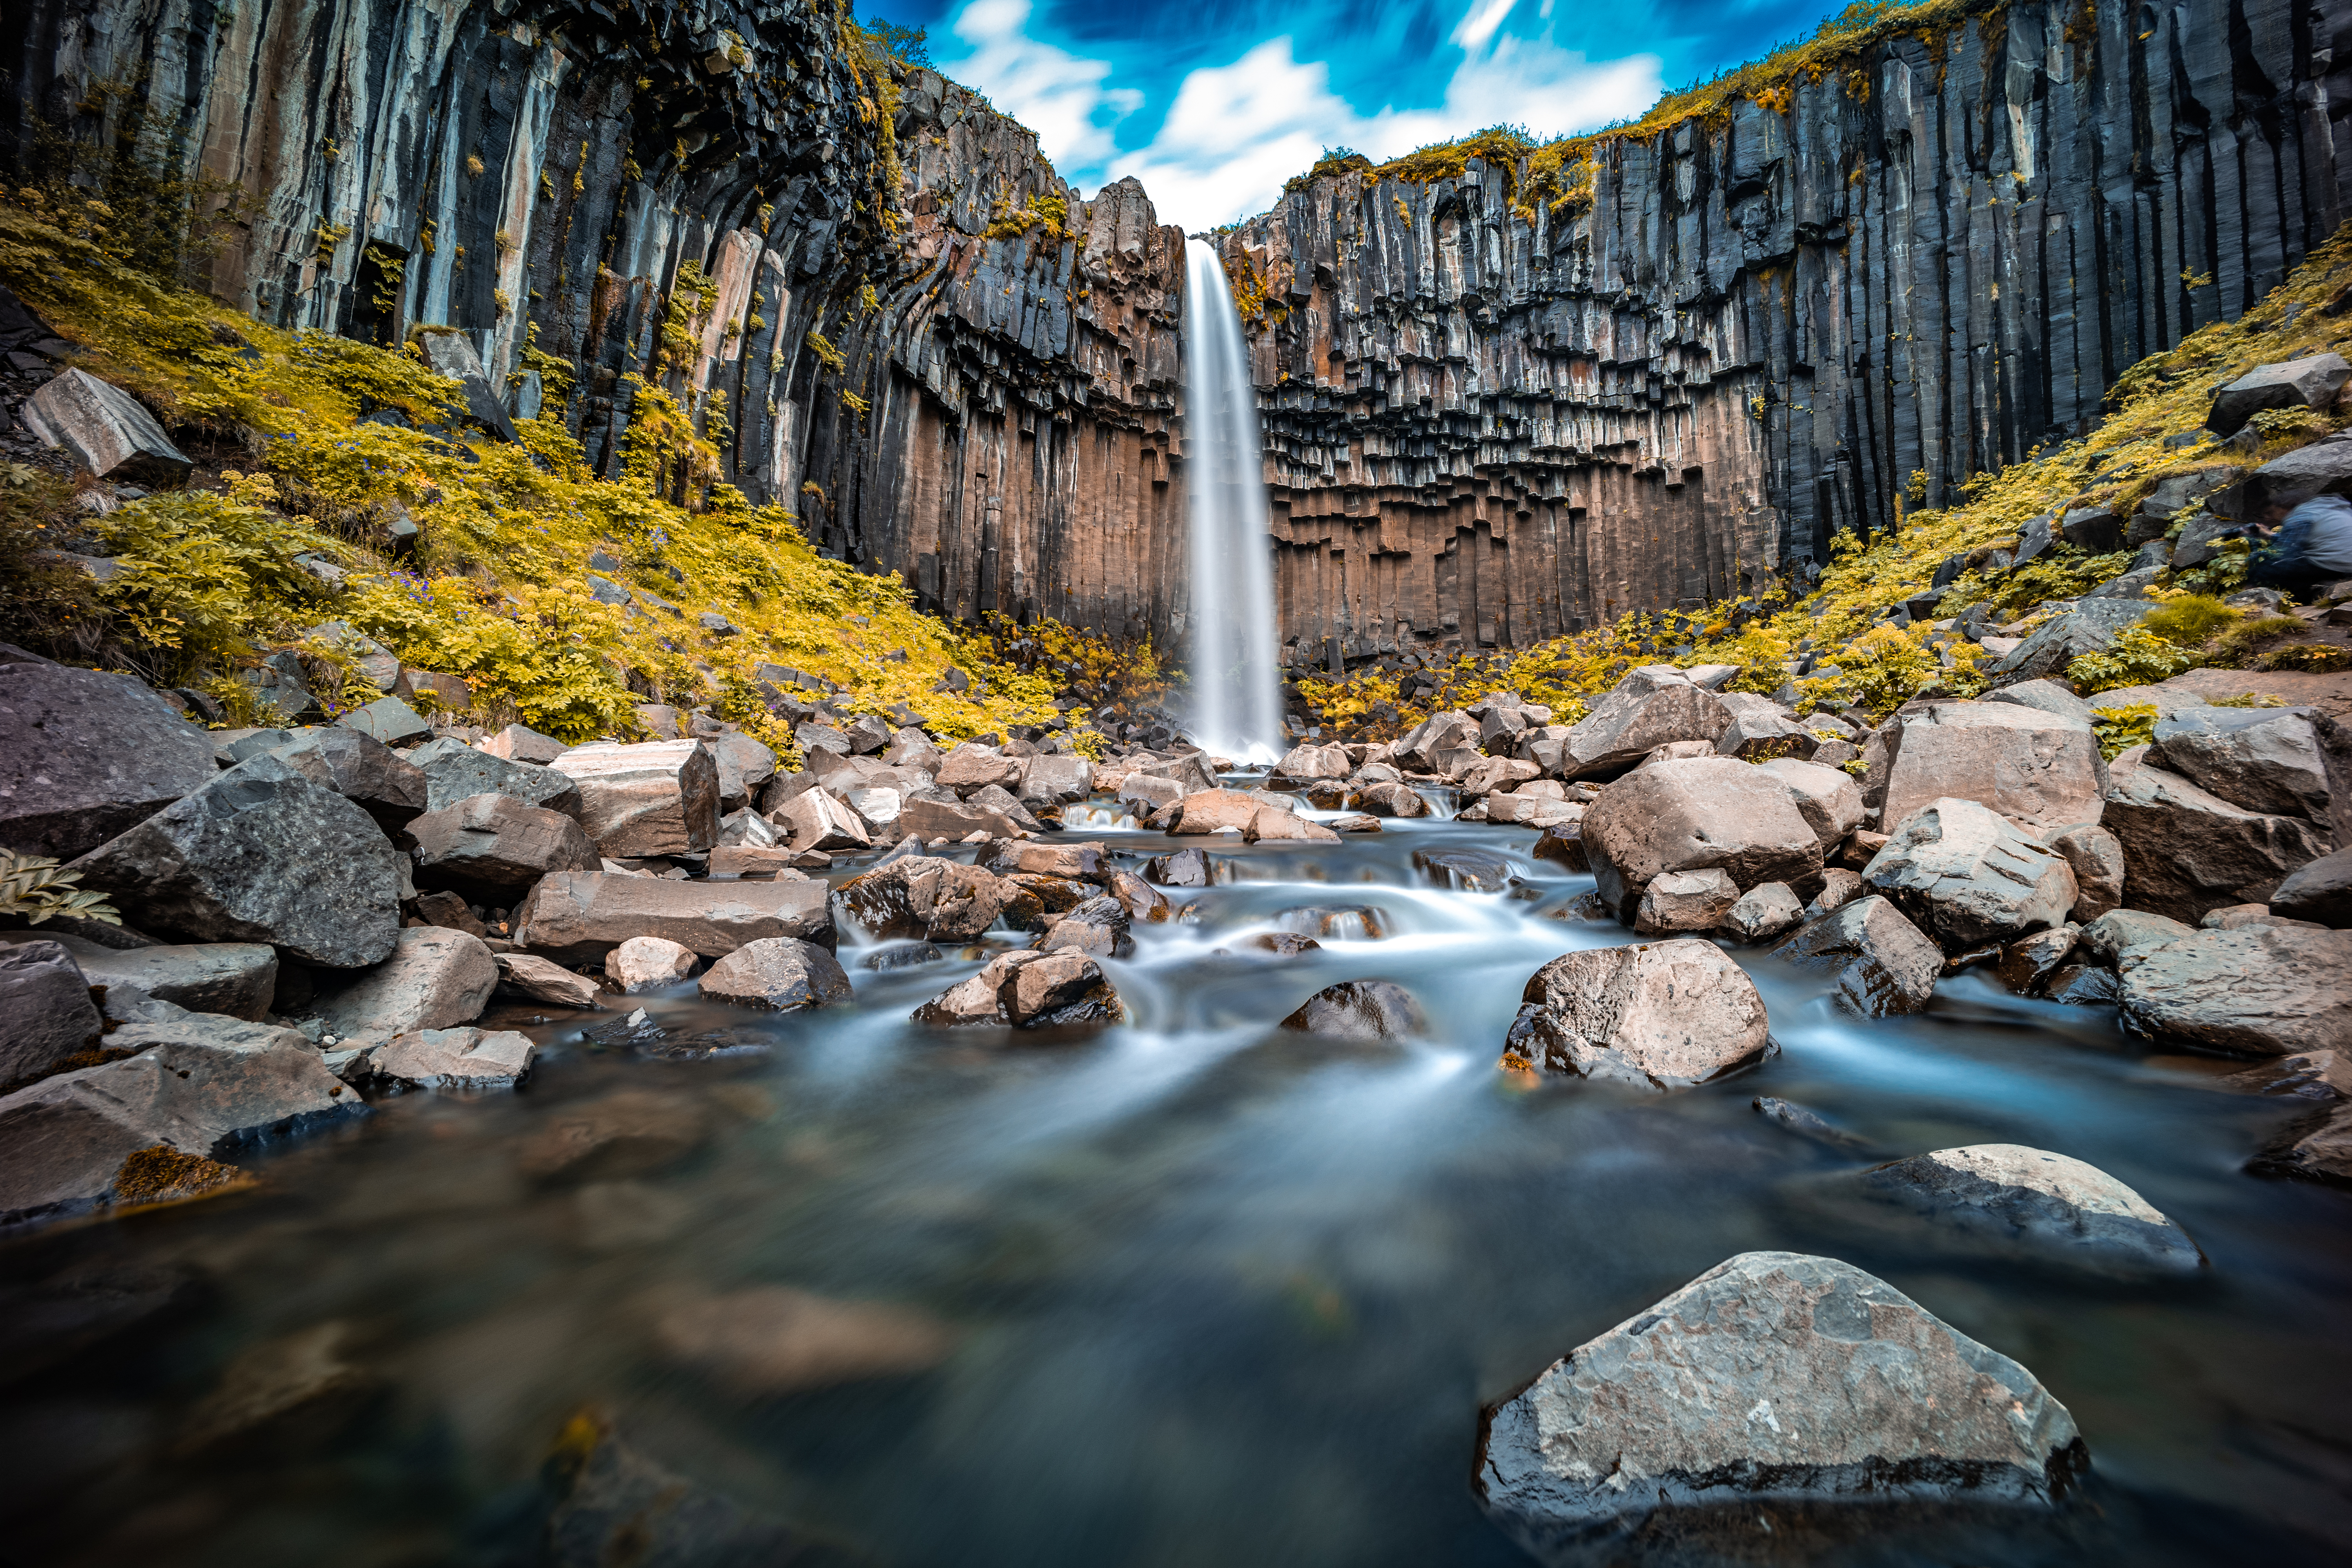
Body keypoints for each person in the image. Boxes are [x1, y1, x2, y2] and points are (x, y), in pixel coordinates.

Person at [2245, 492, 2352, 597]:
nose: (2268, 518)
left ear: (2285, 506)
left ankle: (2246, 599)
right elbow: (2312, 538)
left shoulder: (2301, 515)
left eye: (2270, 513)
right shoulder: (2329, 507)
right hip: (2346, 562)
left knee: (2263, 569)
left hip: (2334, 563)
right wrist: (2271, 536)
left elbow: (2288, 551)